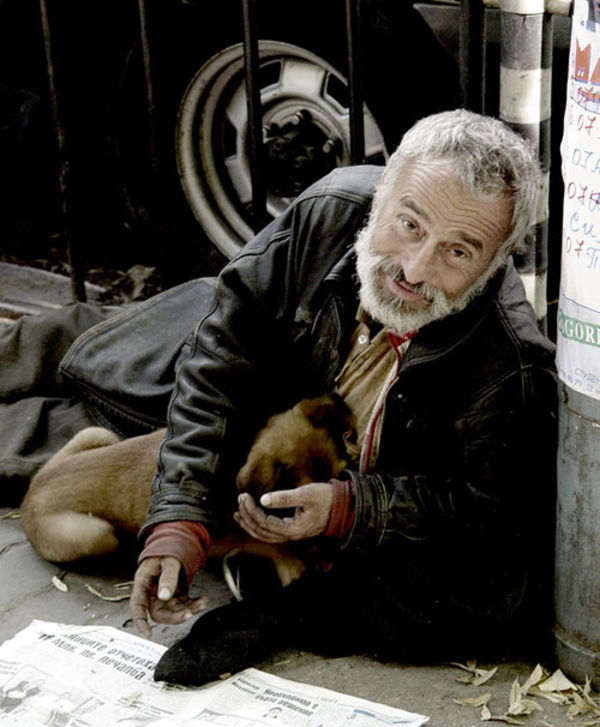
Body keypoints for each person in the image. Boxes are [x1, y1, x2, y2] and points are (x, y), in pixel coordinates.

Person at [0, 109, 557, 685]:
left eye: (458, 252)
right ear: (382, 194)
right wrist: (177, 516)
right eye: (410, 224)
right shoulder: (329, 212)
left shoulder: (511, 367)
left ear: (496, 263)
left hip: (275, 435)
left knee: (62, 430)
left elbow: (480, 508)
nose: (415, 270)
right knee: (82, 351)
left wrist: (349, 507)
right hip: (219, 361)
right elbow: (216, 359)